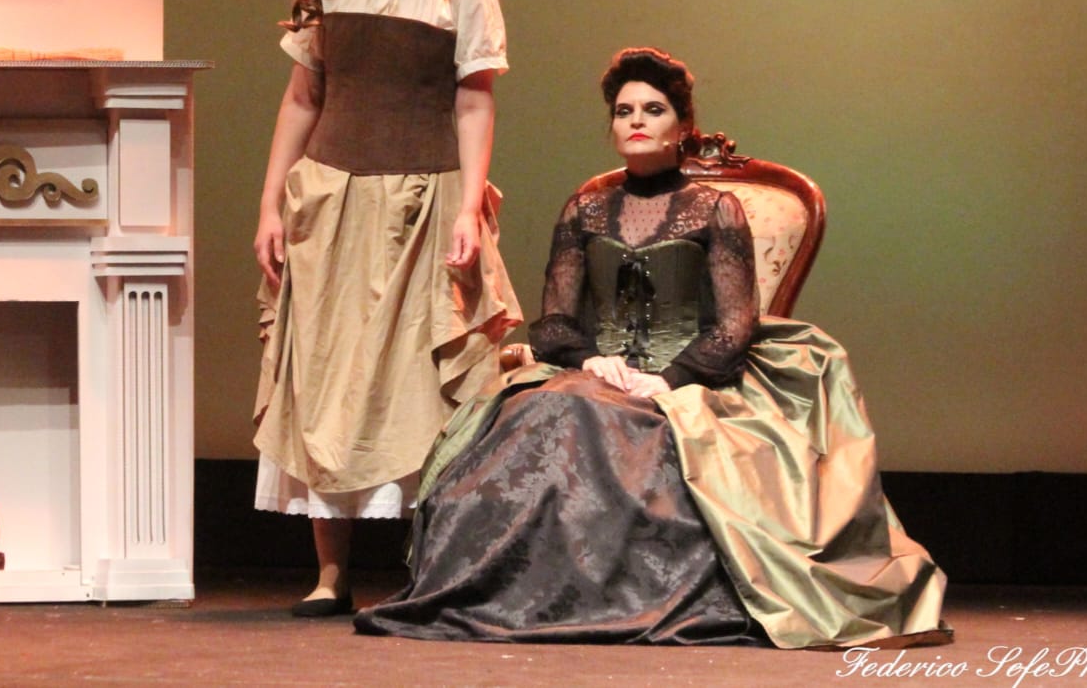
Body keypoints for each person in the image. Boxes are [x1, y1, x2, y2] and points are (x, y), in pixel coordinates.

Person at [355, 47, 949, 648]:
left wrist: (667, 379)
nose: (636, 120)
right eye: (624, 111)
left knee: (593, 418)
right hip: (597, 374)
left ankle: (616, 597)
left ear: (682, 126)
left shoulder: (715, 209)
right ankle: (526, 597)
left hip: (688, 381)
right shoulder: (585, 208)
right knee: (541, 409)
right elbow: (554, 322)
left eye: (653, 109)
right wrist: (590, 359)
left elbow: (735, 325)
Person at [252, 0, 523, 617]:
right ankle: (330, 572)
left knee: (418, 377)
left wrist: (467, 206)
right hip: (333, 198)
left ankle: (428, 566)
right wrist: (271, 204)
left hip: (422, 199)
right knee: (325, 372)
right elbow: (303, 98)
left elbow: (473, 100)